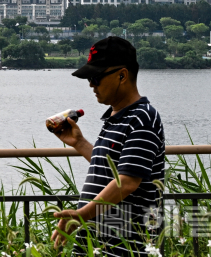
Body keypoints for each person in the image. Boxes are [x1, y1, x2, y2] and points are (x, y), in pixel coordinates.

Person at [50, 36, 165, 256]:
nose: (91, 85)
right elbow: (114, 168)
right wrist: (79, 143)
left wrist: (81, 215)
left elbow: (128, 181)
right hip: (99, 242)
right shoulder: (116, 116)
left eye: (96, 77)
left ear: (122, 75)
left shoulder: (142, 118)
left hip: (126, 244)